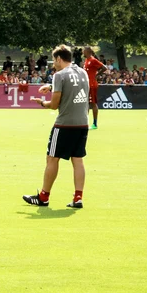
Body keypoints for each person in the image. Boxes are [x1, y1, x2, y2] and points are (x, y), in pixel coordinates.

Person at [24, 45, 89, 208]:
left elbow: (54, 105)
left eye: (54, 60)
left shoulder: (59, 75)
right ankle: (78, 198)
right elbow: (73, 86)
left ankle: (43, 197)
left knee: (52, 158)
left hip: (64, 124)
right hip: (82, 122)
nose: (54, 63)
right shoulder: (83, 72)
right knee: (78, 160)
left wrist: (42, 103)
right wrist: (52, 87)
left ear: (59, 59)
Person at [83, 46, 107, 130]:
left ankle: (95, 123)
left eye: (84, 51)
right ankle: (85, 123)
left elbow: (104, 68)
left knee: (93, 103)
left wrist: (96, 75)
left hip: (92, 85)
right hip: (86, 85)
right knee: (85, 104)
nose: (83, 52)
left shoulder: (93, 60)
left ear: (88, 51)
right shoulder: (86, 60)